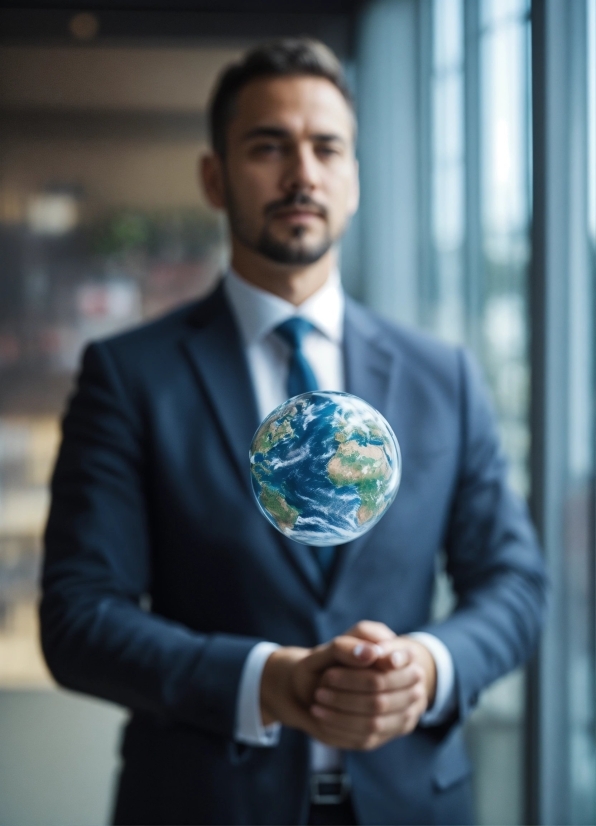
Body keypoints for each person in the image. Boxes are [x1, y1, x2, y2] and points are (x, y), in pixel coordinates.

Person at [40, 38, 548, 826]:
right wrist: (261, 680)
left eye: (326, 148)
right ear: (215, 177)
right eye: (269, 146)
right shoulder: (128, 376)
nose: (302, 172)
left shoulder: (440, 374)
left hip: (413, 803)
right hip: (205, 804)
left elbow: (516, 584)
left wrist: (429, 667)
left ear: (353, 180)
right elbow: (78, 616)